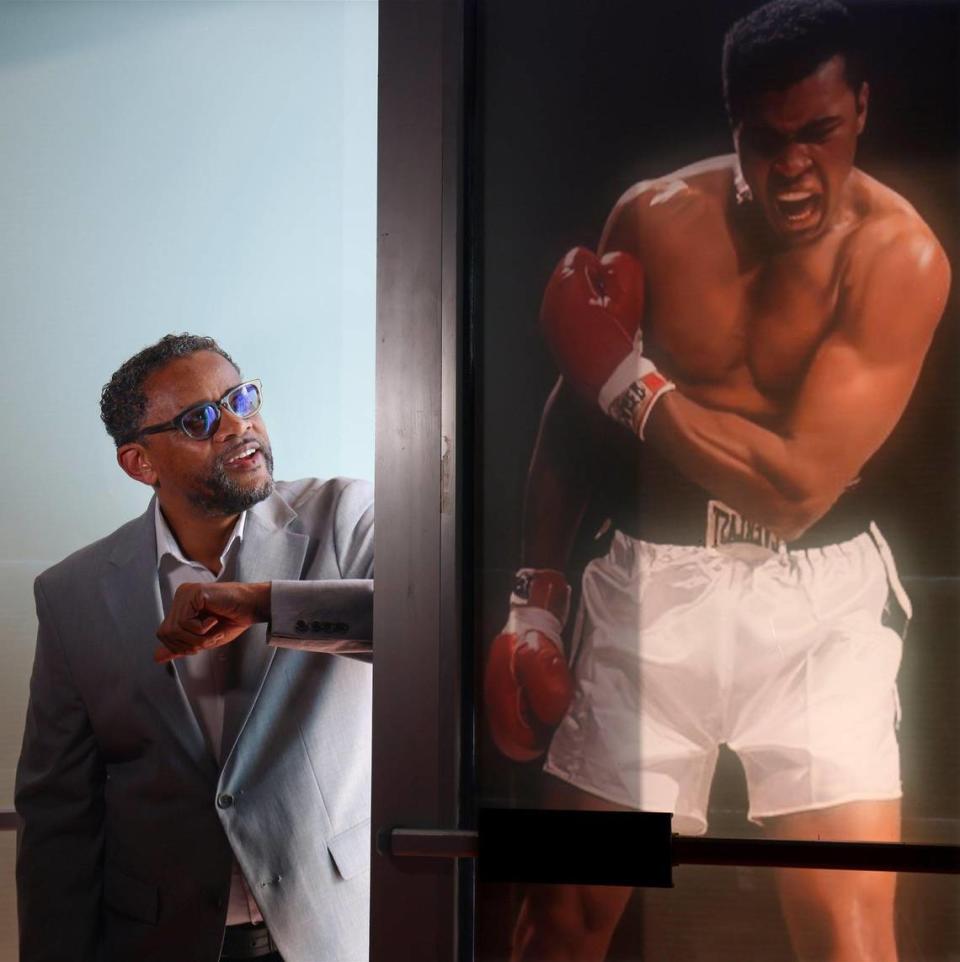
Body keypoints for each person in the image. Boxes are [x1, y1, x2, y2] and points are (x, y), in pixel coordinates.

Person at [484, 1, 951, 960]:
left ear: (860, 108)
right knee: (557, 923)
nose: (790, 167)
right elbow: (575, 411)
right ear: (733, 116)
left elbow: (792, 490)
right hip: (648, 582)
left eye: (818, 133)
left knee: (854, 941)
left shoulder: (900, 258)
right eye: (763, 138)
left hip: (822, 604)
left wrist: (630, 381)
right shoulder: (652, 216)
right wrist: (533, 596)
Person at [16, 334, 374, 962]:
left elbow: (425, 627)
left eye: (241, 397)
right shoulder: (72, 594)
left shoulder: (346, 515)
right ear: (140, 463)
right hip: (160, 938)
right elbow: (58, 812)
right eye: (199, 420)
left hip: (331, 927)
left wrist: (267, 604)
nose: (237, 425)